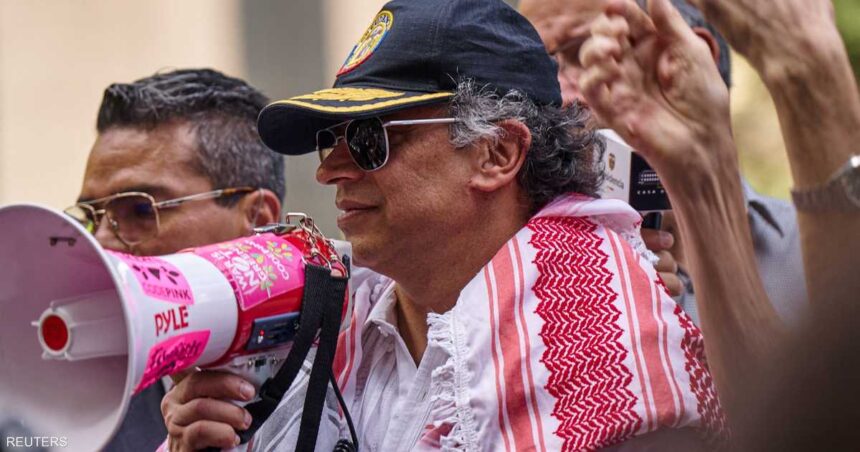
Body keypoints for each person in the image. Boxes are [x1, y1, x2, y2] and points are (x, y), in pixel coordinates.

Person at [162, 1, 726, 450]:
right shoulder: (330, 317)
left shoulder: (607, 344)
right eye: (330, 140)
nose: (329, 170)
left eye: (369, 138)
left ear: (497, 153)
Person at [519, 0, 807, 327]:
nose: (558, 98)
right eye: (540, 67)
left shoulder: (821, 253)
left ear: (692, 61)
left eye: (586, 55)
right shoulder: (524, 280)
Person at [65, 68, 284, 451]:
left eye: (140, 209)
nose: (100, 242)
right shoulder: (64, 409)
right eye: (91, 217)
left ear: (258, 219)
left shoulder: (355, 368)